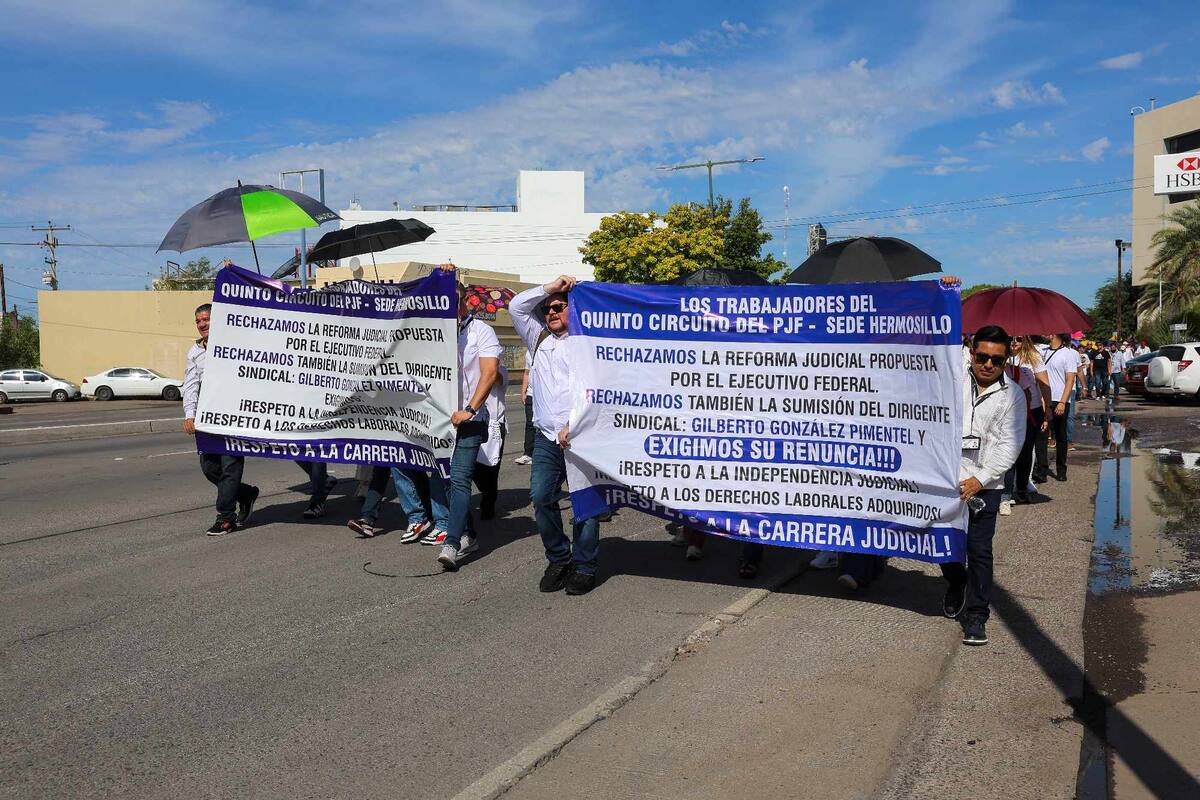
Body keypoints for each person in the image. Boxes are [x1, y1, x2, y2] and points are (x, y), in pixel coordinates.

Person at [509, 274, 601, 595]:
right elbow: (516, 306)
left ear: (573, 310)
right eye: (548, 308)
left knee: (584, 504)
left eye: (559, 307)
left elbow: (593, 390)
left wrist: (574, 424)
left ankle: (585, 565)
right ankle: (559, 558)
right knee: (541, 497)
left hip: (579, 437)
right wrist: (551, 288)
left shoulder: (587, 341)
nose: (551, 312)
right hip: (547, 438)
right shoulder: (538, 338)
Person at [942, 324, 1025, 646]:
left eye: (996, 360)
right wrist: (946, 291)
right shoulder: (951, 380)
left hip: (984, 485)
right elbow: (936, 339)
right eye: (982, 357)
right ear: (972, 350)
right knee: (943, 546)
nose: (988, 365)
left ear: (1006, 359)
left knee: (979, 551)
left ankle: (977, 616)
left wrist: (980, 479)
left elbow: (1010, 445)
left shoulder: (1013, 396)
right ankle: (956, 581)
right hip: (946, 480)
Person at [432, 275, 503, 571]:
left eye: (455, 299)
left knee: (459, 478)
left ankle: (452, 541)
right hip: (439, 420)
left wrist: (471, 409)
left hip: (471, 419)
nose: (450, 304)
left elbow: (489, 373)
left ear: (463, 301)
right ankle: (469, 533)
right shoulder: (435, 331)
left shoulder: (481, 331)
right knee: (447, 480)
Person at [182, 303, 259, 536]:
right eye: (198, 321)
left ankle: (226, 517)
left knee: (230, 467)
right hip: (208, 419)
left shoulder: (235, 343)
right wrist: (189, 414)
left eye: (206, 319)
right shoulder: (195, 352)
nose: (202, 324)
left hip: (234, 417)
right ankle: (245, 494)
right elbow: (191, 384)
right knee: (210, 468)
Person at [1000, 336, 1047, 513]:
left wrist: (1046, 409)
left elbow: (1035, 390)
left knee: (1025, 452)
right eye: (1011, 339)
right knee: (1008, 453)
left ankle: (1021, 488)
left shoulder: (1029, 364)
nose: (1014, 342)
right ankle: (1005, 494)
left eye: (1018, 339)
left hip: (1027, 413)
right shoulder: (1000, 362)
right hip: (1004, 415)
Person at [1041, 333, 1077, 481]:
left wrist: (1063, 401)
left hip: (1059, 399)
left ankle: (1061, 470)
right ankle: (1041, 470)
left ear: (1055, 334)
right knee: (1042, 435)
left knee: (1061, 436)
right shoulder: (1043, 352)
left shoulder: (1067, 354)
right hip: (1043, 399)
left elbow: (1070, 380)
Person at [514, 348, 535, 466]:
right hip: (531, 394)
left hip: (546, 395)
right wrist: (524, 391)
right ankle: (528, 454)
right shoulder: (529, 352)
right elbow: (527, 373)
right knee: (530, 424)